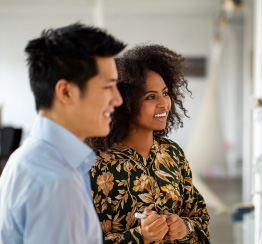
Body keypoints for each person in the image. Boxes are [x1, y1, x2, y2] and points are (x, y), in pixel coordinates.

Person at [0, 23, 126, 244]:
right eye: (107, 86)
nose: (118, 100)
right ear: (66, 91)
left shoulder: (27, 159)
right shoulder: (56, 183)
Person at [85, 44, 211, 244]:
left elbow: (199, 216)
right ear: (124, 105)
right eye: (151, 97)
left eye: (165, 93)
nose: (164, 103)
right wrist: (139, 237)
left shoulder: (172, 154)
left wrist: (184, 228)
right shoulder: (93, 165)